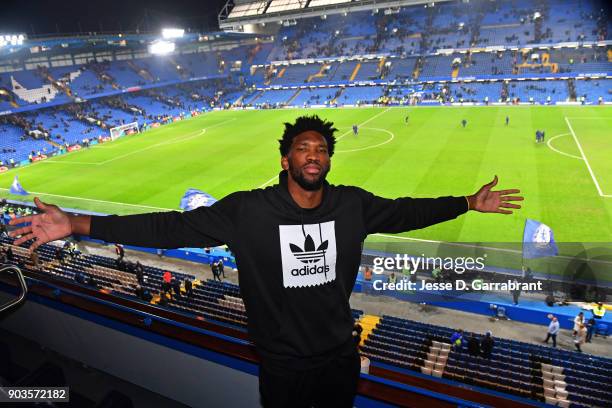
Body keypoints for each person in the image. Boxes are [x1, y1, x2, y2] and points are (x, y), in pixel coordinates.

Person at [9, 115, 523, 407]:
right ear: (286, 160)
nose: (314, 155)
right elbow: (170, 228)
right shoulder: (247, 212)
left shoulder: (351, 205)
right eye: (303, 148)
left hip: (338, 359)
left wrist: (466, 203)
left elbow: (406, 213)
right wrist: (77, 223)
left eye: (321, 149)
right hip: (280, 365)